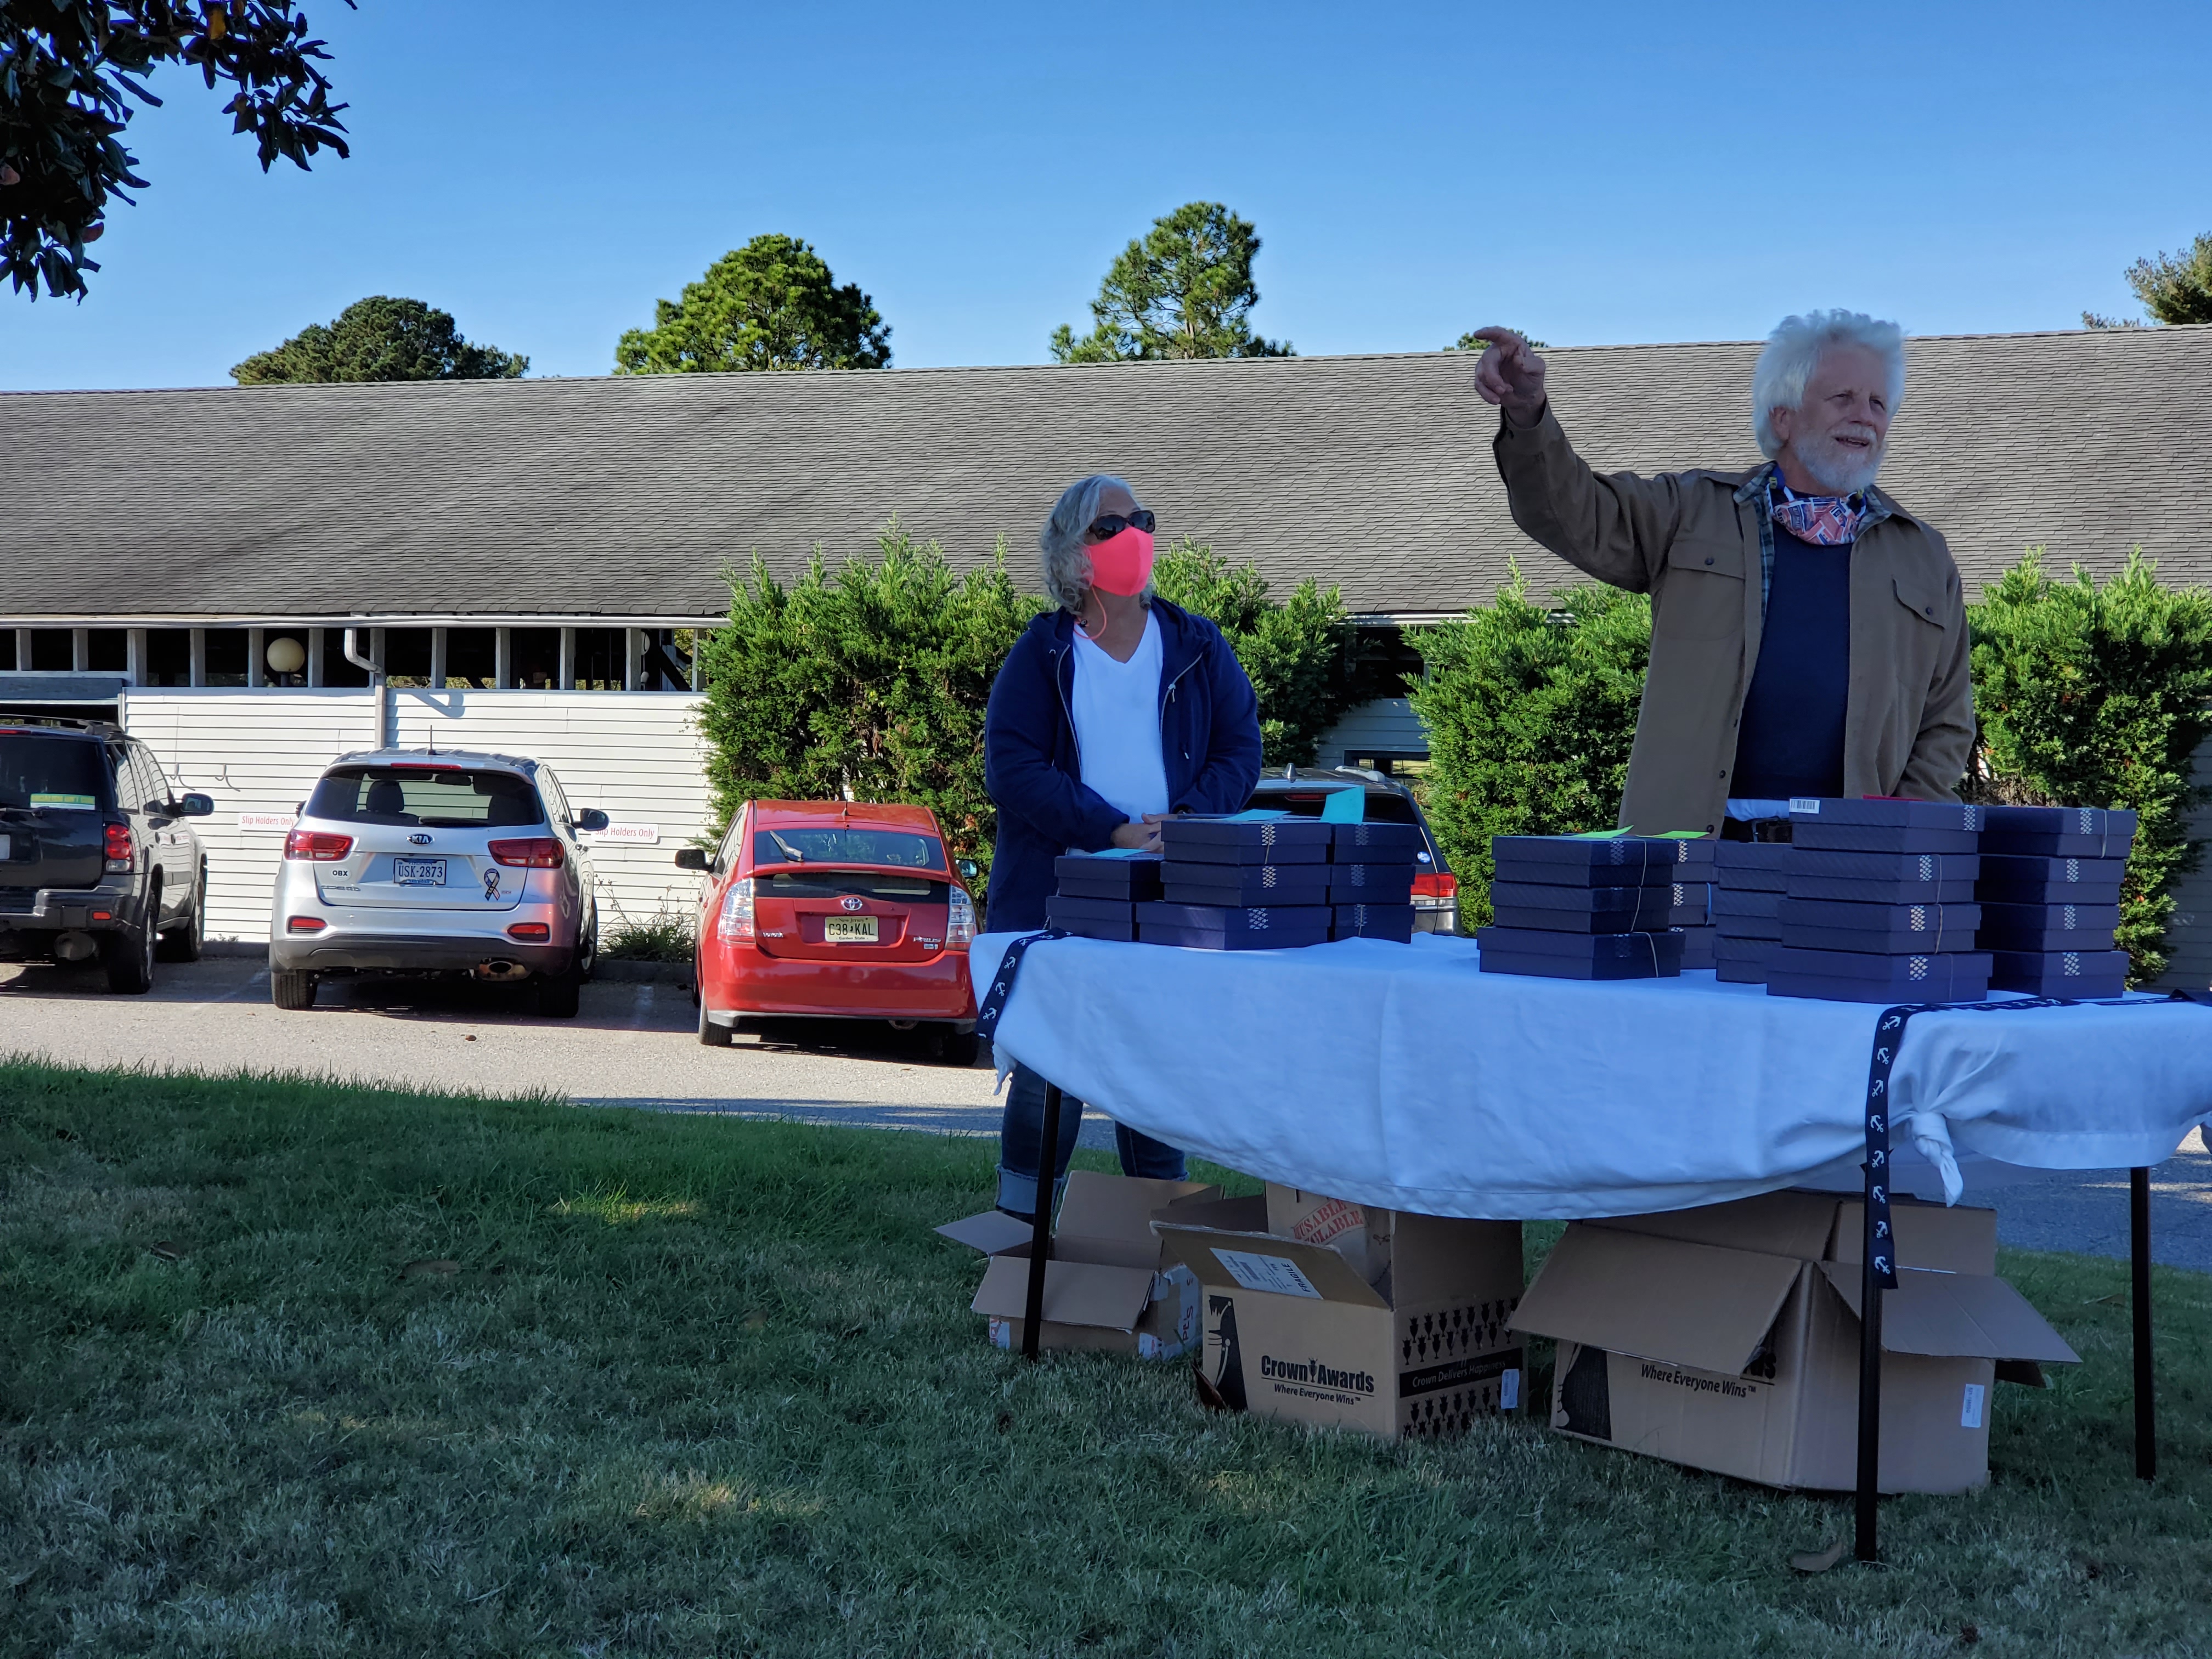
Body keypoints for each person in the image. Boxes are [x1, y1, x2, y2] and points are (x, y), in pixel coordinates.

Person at [1469, 311, 1973, 837]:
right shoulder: (1689, 512)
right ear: (1783, 417)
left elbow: (1947, 721)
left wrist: (1899, 830)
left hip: (1849, 859)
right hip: (1693, 853)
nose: (1865, 417)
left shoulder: (1924, 556)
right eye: (1843, 397)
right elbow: (1569, 513)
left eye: (1878, 403)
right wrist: (1527, 411)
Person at [981, 473, 1263, 1214]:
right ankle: (1020, 1240)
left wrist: (1188, 821)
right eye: (1110, 527)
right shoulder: (1042, 653)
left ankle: (1160, 1242)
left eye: (1141, 520)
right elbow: (1011, 768)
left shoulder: (1198, 645)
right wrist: (1108, 828)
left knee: (1154, 1070)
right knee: (1049, 1073)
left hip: (1167, 898)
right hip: (1059, 898)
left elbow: (1241, 750)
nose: (1133, 536)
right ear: (1071, 552)